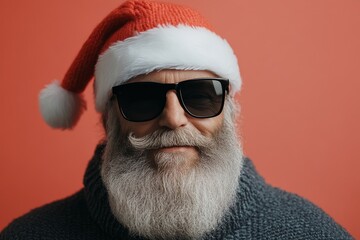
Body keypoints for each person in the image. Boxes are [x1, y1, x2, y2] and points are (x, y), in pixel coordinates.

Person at [0, 0, 353, 239]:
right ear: (109, 120)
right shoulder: (31, 234)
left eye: (200, 96)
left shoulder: (311, 231)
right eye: (141, 99)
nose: (173, 119)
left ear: (230, 110)